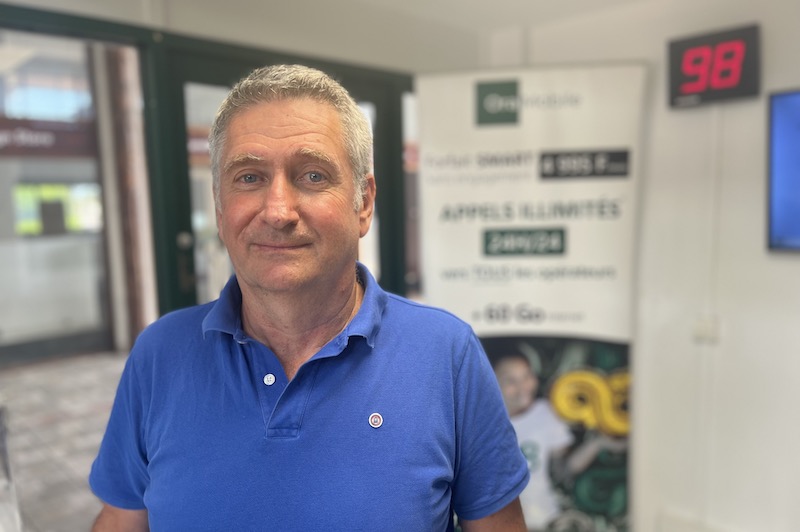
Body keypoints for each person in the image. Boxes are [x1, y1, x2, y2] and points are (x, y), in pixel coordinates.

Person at [89, 64, 529, 531]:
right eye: (249, 178)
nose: (278, 211)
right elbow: (121, 519)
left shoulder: (446, 355)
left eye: (313, 175)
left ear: (363, 203)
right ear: (219, 208)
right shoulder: (159, 354)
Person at [492, 350, 573, 531]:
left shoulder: (545, 412)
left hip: (545, 520)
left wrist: (600, 443)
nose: (522, 387)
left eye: (526, 376)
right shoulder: (482, 424)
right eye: (511, 380)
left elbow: (564, 469)